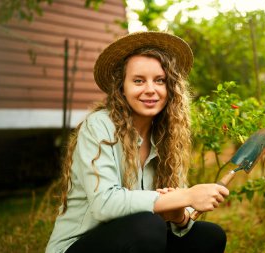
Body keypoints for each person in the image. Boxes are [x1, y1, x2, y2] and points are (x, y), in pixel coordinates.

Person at [46, 31, 229, 253]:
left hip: (139, 239)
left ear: (170, 87)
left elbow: (174, 213)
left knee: (209, 236)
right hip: (79, 246)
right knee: (147, 225)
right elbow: (105, 204)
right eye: (138, 80)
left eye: (160, 80)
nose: (150, 89)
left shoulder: (167, 136)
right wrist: (186, 196)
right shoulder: (100, 125)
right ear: (121, 87)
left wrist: (179, 216)